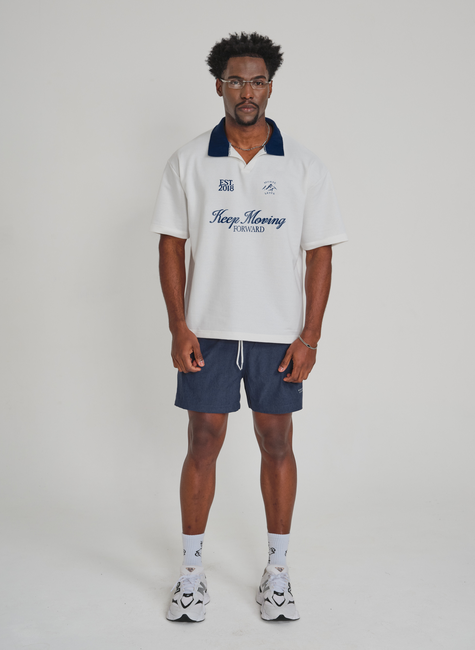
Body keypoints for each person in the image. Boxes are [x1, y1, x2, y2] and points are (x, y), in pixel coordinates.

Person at [151, 32, 347, 622]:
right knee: (203, 441)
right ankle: (191, 576)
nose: (247, 92)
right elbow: (171, 244)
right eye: (236, 80)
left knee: (277, 442)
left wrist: (310, 336)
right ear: (219, 85)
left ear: (270, 88)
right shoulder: (188, 160)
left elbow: (319, 252)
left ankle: (277, 574)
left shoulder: (304, 165)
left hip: (278, 334)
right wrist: (179, 325)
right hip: (208, 330)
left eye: (257, 81)